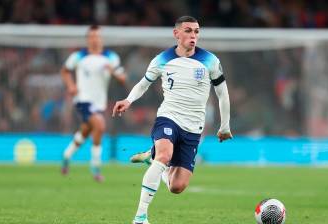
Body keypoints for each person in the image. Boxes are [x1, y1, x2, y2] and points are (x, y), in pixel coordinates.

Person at [112, 16, 232, 224]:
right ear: (176, 34)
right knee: (165, 155)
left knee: (177, 187)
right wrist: (128, 100)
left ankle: (151, 156)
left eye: (196, 31)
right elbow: (143, 84)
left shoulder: (210, 61)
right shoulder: (162, 59)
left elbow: (223, 93)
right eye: (188, 31)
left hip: (194, 127)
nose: (193, 35)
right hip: (168, 117)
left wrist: (224, 126)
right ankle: (140, 217)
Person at [61, 25, 126, 182]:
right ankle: (96, 168)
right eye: (92, 36)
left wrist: (113, 72)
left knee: (85, 131)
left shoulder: (111, 57)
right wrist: (71, 86)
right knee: (100, 126)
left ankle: (66, 156)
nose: (95, 39)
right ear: (88, 39)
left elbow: (123, 78)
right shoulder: (78, 56)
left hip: (99, 103)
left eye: (97, 36)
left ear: (101, 38)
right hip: (82, 100)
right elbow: (65, 71)